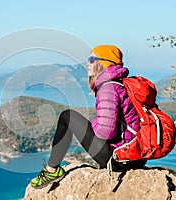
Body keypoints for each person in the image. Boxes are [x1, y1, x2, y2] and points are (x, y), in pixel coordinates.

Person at [30, 45, 147, 189]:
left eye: (91, 59)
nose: (87, 63)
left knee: (68, 117)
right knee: (73, 119)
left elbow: (107, 132)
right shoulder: (121, 83)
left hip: (119, 158)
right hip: (136, 157)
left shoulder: (108, 88)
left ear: (103, 62)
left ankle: (51, 171)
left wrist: (89, 128)